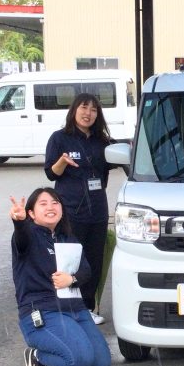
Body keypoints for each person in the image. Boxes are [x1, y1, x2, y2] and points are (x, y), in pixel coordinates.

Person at [10, 188, 111, 366]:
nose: (51, 207)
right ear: (31, 213)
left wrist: (71, 279)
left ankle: (70, 345)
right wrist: (19, 223)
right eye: (43, 204)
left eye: (55, 203)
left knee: (100, 364)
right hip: (44, 310)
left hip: (76, 309)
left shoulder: (68, 237)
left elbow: (86, 271)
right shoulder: (28, 234)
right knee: (79, 360)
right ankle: (36, 356)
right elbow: (20, 238)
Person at [45, 93, 113, 325]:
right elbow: (51, 173)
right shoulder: (59, 138)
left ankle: (87, 308)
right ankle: (67, 308)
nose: (88, 113)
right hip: (71, 211)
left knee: (93, 260)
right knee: (71, 259)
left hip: (98, 211)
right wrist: (62, 161)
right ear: (74, 110)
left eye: (94, 110)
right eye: (84, 108)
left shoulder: (103, 141)